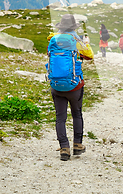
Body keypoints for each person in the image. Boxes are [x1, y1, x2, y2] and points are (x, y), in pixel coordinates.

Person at [46, 14, 86, 161]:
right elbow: (89, 55)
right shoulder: (76, 40)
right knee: (77, 114)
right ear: (73, 27)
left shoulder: (53, 39)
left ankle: (64, 148)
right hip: (75, 85)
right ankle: (77, 145)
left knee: (60, 117)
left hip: (56, 85)